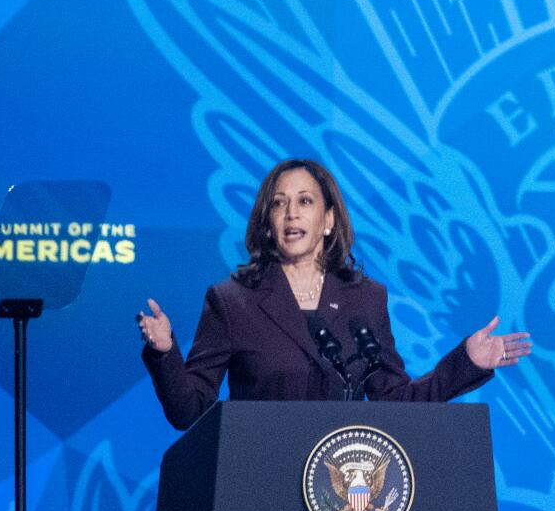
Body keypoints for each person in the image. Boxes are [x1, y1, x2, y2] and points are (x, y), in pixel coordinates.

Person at [138, 158, 531, 429]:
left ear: (327, 220)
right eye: (279, 204)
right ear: (268, 222)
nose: (292, 213)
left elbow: (392, 402)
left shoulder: (366, 298)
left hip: (341, 495)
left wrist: (465, 363)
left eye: (305, 202)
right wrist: (164, 352)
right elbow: (190, 411)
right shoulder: (232, 300)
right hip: (257, 488)